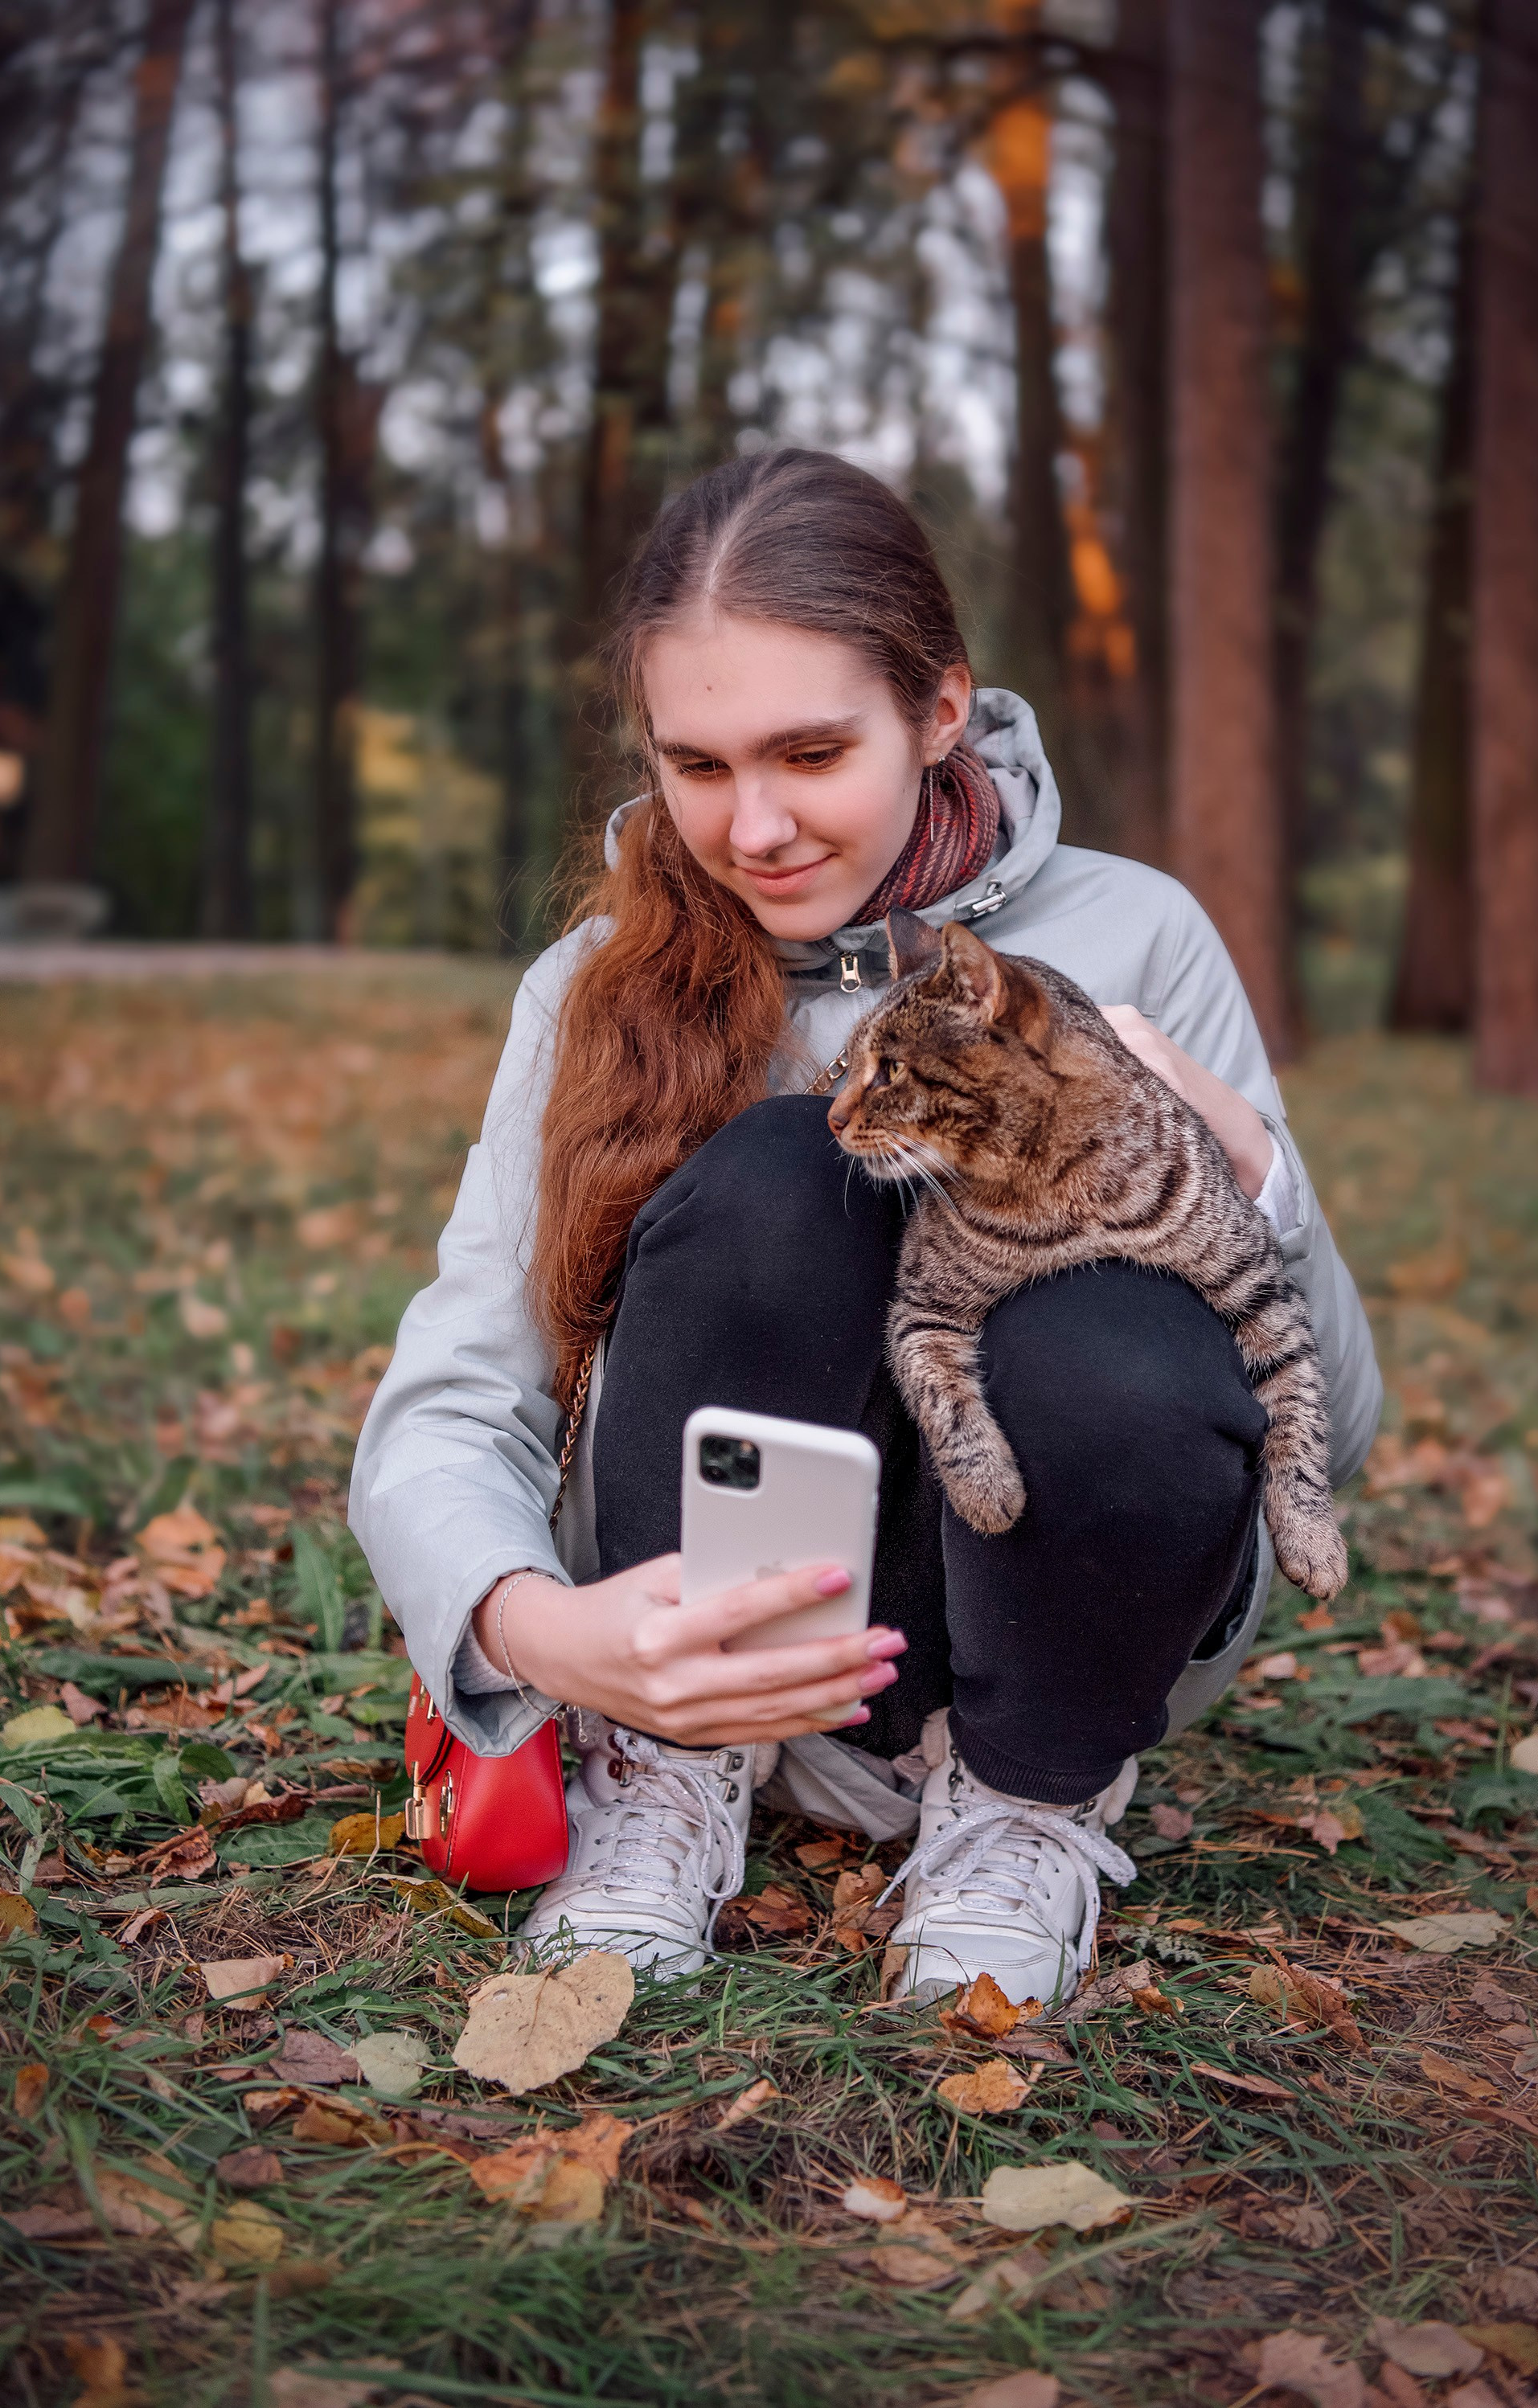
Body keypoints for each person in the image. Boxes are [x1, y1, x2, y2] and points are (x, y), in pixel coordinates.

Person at [350, 448, 1380, 2004]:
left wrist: (1240, 1155)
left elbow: (1330, 1423)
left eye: (811, 751)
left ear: (941, 712)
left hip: (1055, 1647)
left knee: (1102, 1309)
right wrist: (548, 1638)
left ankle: (1027, 1811)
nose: (752, 826)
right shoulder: (594, 982)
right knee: (785, 1175)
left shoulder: (1133, 934)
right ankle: (671, 1779)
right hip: (692, 1655)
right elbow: (447, 1400)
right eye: (696, 765)